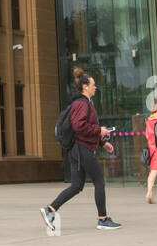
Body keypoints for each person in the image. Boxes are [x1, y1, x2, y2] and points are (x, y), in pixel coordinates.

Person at [40, 68, 122, 231]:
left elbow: (86, 127)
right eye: (93, 85)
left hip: (78, 149)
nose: (95, 87)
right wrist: (99, 131)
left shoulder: (83, 104)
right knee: (99, 181)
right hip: (82, 149)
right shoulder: (82, 104)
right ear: (85, 86)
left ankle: (50, 210)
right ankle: (103, 219)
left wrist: (102, 142)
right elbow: (80, 126)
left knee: (76, 186)